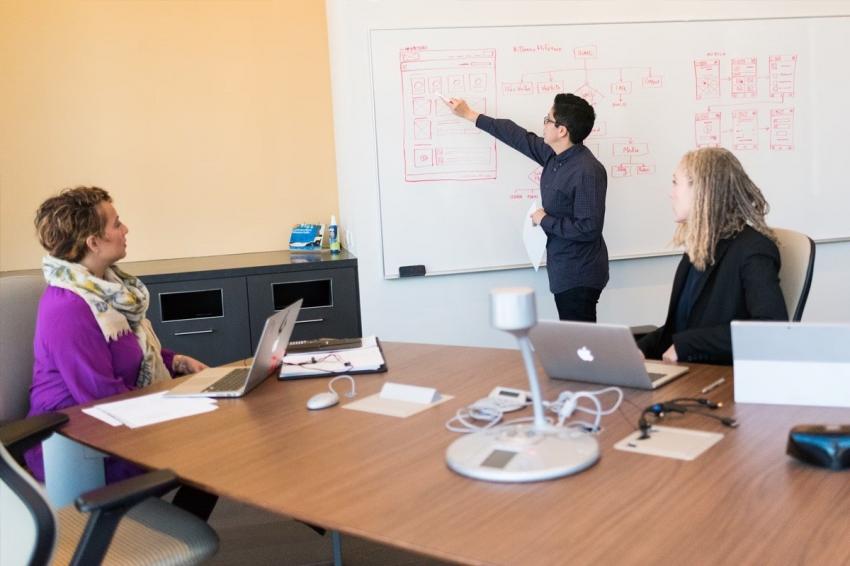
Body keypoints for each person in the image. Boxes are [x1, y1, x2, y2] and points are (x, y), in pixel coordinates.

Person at [25, 186, 217, 519]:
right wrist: (176, 406)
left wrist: (176, 362)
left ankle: (171, 530)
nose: (125, 229)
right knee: (211, 447)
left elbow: (131, 351)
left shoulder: (109, 291)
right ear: (93, 242)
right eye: (116, 224)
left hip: (118, 417)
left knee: (215, 441)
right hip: (78, 442)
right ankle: (149, 537)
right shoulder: (67, 308)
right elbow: (100, 397)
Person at [445, 93, 608, 322]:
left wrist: (544, 220)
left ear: (562, 130)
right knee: (574, 336)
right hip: (563, 268)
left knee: (579, 339)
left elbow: (588, 228)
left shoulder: (587, 170)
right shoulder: (554, 156)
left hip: (579, 272)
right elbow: (516, 136)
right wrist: (470, 115)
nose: (544, 124)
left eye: (548, 120)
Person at [638, 148, 788, 365]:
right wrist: (639, 349)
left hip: (722, 375)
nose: (671, 193)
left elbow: (771, 329)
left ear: (702, 190)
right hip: (693, 371)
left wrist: (688, 345)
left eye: (675, 183)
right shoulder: (699, 248)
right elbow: (679, 328)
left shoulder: (753, 250)